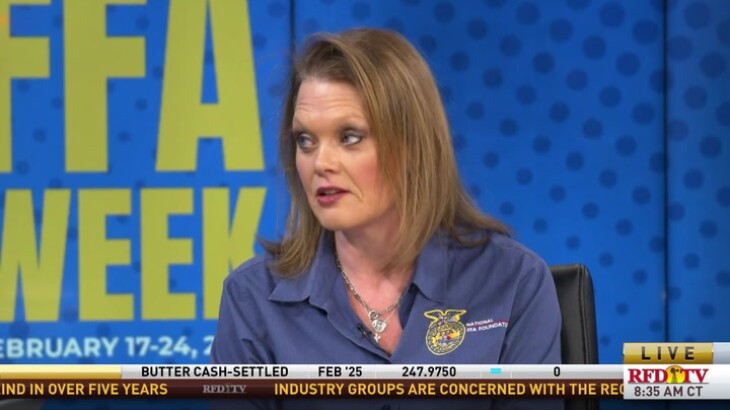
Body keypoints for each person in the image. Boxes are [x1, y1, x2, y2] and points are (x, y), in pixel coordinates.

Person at [211, 28, 560, 367]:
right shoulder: (251, 298)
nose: (321, 163)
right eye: (306, 141)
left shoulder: (513, 281)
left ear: (412, 147)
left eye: (349, 137)